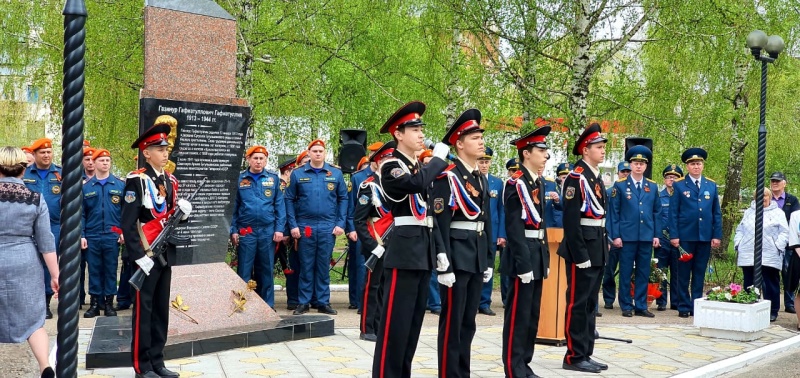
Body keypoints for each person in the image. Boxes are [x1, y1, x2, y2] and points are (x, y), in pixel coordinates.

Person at [372, 101, 449, 378]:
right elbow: (414, 186)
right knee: (395, 327)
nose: (420, 133)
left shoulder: (416, 166)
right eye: (413, 129)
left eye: (420, 128)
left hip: (421, 252)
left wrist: (439, 251)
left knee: (412, 327)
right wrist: (438, 160)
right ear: (398, 134)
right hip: (403, 254)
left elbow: (429, 215)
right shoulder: (392, 165)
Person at [121, 115, 192, 378]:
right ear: (147, 153)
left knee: (161, 309)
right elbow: (129, 223)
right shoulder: (137, 181)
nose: (165, 153)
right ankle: (142, 366)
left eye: (167, 149)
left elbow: (169, 217)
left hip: (164, 254)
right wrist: (139, 256)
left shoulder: (170, 181)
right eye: (160, 150)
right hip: (146, 254)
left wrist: (183, 214)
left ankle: (158, 361)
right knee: (145, 311)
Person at [432, 109, 493, 377]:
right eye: (475, 137)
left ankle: (462, 373)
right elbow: (439, 223)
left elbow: (486, 222)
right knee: (453, 321)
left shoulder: (479, 175)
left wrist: (489, 258)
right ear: (459, 143)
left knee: (468, 322)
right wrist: (443, 261)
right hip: (457, 256)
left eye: (481, 137)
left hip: (476, 255)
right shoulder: (448, 176)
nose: (481, 142)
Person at [0, 146, 58, 378]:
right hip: (24, 261)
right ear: (24, 170)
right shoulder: (35, 199)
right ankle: (45, 366)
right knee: (34, 320)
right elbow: (46, 241)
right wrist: (55, 275)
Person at [558, 123, 609, 374]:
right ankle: (573, 355)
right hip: (583, 250)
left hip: (597, 244)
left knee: (590, 304)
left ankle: (586, 351)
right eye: (599, 147)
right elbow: (570, 220)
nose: (603, 152)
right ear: (585, 149)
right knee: (577, 303)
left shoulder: (594, 175)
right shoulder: (576, 178)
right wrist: (580, 254)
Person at [501, 126, 551, 378]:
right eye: (541, 150)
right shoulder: (516, 184)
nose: (546, 155)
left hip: (537, 253)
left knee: (531, 315)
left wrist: (545, 259)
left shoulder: (536, 182)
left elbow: (541, 224)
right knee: (518, 315)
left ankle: (525, 363)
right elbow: (514, 227)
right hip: (523, 257)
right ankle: (514, 366)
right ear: (526, 152)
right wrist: (524, 264)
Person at [286, 139, 348, 316]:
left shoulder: (335, 174)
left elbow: (343, 199)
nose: (318, 154)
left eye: (321, 151)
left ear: (325, 153)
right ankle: (303, 302)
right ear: (309, 153)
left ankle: (322, 301)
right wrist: (293, 225)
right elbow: (289, 199)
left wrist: (340, 223)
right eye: (314, 151)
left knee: (322, 265)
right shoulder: (298, 174)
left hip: (328, 226)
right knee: (305, 265)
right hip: (305, 226)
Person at [607, 146, 661, 318]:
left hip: (645, 236)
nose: (638, 166)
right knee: (625, 271)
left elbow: (657, 212)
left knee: (643, 271)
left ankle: (641, 304)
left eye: (642, 164)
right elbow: (614, 212)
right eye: (635, 163)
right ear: (630, 165)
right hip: (627, 236)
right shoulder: (620, 186)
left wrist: (656, 234)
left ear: (646, 166)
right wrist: (615, 235)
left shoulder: (652, 186)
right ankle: (626, 305)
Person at [668, 147, 722, 318]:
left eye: (698, 164)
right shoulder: (679, 185)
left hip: (705, 236)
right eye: (692, 164)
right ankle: (683, 306)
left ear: (703, 166)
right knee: (683, 273)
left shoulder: (711, 185)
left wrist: (716, 235)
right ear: (687, 166)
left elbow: (716, 213)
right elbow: (673, 213)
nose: (696, 167)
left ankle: (696, 304)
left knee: (699, 272)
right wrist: (674, 235)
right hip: (685, 236)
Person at [230, 145, 286, 307]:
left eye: (261, 158)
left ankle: (267, 305)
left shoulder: (273, 179)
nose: (258, 161)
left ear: (266, 160)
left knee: (266, 270)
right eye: (255, 158)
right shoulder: (240, 179)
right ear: (248, 159)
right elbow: (234, 207)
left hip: (267, 231)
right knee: (244, 270)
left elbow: (279, 206)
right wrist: (233, 230)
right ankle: (242, 305)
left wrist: (279, 229)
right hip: (246, 231)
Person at [354, 141, 396, 342]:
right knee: (372, 287)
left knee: (387, 288)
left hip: (394, 245)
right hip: (376, 244)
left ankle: (380, 326)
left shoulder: (396, 185)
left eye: (392, 159)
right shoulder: (369, 186)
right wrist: (373, 246)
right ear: (377, 163)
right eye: (386, 159)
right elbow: (359, 220)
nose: (389, 162)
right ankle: (367, 328)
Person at [81, 148, 126, 318]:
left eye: (108, 161)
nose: (105, 163)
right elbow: (82, 214)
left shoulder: (119, 185)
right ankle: (94, 304)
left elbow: (124, 212)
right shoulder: (86, 187)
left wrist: (123, 232)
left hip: (112, 234)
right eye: (102, 161)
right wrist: (82, 235)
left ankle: (108, 303)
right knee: (93, 269)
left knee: (110, 269)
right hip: (92, 235)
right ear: (94, 162)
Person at [735, 188, 788, 322]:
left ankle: (772, 310)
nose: (762, 199)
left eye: (765, 196)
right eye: (759, 196)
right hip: (748, 253)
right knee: (749, 282)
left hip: (769, 254)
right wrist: (738, 243)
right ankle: (749, 307)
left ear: (769, 197)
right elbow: (740, 229)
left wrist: (778, 245)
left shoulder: (778, 213)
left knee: (770, 283)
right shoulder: (748, 212)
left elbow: (784, 232)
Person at [23, 138, 62, 319]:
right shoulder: (25, 174)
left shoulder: (60, 174)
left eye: (49, 152)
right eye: (42, 152)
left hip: (54, 226)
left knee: (50, 265)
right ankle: (32, 303)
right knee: (31, 265)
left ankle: (46, 303)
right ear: (35, 154)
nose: (46, 155)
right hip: (29, 227)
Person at [346, 142, 383, 312]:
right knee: (361, 265)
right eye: (378, 156)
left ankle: (374, 302)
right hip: (363, 227)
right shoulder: (358, 177)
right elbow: (351, 206)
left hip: (382, 230)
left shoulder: (389, 175)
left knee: (378, 266)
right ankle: (359, 301)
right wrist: (351, 228)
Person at [477, 146, 506, 317]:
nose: (484, 165)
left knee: (489, 266)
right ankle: (473, 301)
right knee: (475, 266)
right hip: (476, 230)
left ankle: (484, 302)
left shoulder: (497, 183)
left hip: (493, 232)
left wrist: (502, 233)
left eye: (487, 161)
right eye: (481, 161)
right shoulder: (471, 180)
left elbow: (502, 210)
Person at [769, 171, 800, 314]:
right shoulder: (767, 198)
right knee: (771, 274)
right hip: (769, 243)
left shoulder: (792, 200)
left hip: (788, 243)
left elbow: (794, 220)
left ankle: (789, 303)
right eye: (773, 181)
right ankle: (771, 304)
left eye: (778, 181)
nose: (775, 183)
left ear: (784, 183)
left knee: (789, 274)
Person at [601, 161, 630, 310]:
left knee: (626, 271)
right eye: (623, 171)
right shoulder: (609, 192)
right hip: (612, 238)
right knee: (609, 271)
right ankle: (608, 298)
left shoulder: (632, 192)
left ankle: (625, 300)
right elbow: (607, 216)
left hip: (628, 239)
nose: (625, 174)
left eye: (627, 171)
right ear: (618, 173)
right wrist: (609, 237)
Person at [655, 164, 683, 311]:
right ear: (664, 179)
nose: (671, 179)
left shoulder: (684, 196)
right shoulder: (659, 196)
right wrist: (656, 237)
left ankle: (676, 302)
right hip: (663, 240)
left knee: (678, 272)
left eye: (675, 177)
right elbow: (655, 218)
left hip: (678, 240)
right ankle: (661, 301)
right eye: (668, 177)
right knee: (661, 272)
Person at [277, 157, 299, 310]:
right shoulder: (280, 187)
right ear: (288, 171)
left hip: (288, 233)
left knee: (290, 268)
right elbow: (281, 211)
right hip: (278, 234)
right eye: (294, 170)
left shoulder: (292, 186)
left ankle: (293, 299)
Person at [500, 157, 521, 307]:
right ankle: (506, 297)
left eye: (517, 170)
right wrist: (502, 234)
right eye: (512, 170)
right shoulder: (506, 185)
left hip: (522, 233)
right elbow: (502, 212)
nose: (515, 173)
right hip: (507, 231)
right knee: (507, 267)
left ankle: (513, 298)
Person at [79, 145, 95, 308]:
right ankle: (78, 298)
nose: (90, 163)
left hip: (97, 231)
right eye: (87, 159)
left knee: (96, 268)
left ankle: (96, 299)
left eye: (92, 159)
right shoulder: (75, 179)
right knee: (78, 267)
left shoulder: (104, 179)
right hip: (80, 229)